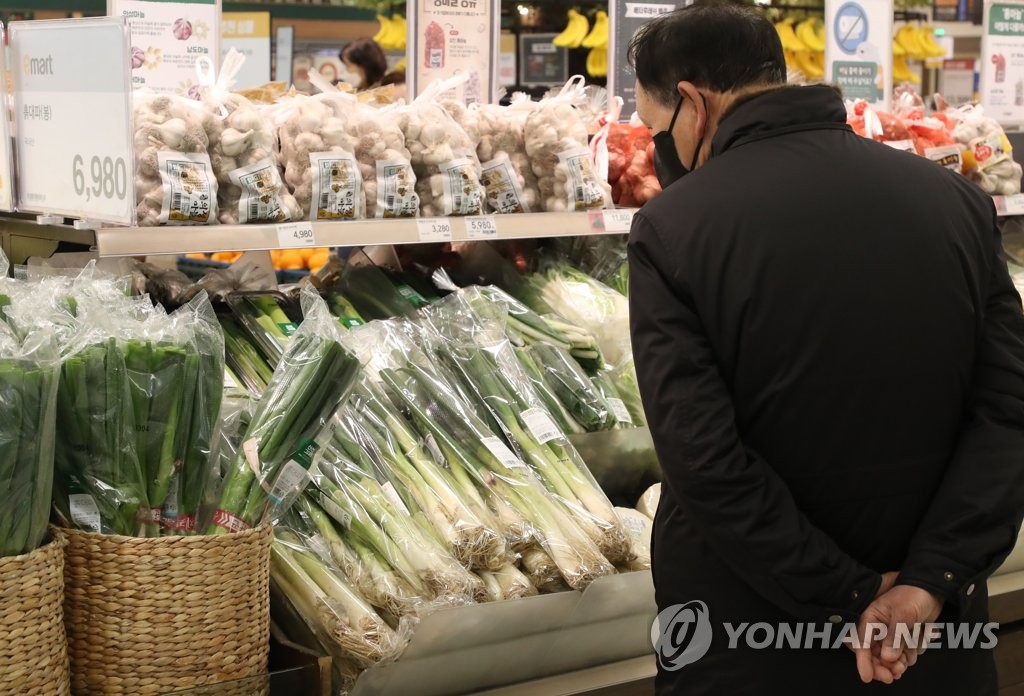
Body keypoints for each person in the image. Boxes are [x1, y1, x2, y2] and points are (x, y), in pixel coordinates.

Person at [626, 2, 1024, 695]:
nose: (661, 146)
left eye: (657, 128)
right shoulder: (955, 200)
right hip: (933, 643)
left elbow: (704, 459)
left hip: (751, 639)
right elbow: (1008, 412)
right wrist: (930, 582)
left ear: (693, 102)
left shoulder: (675, 227)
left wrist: (853, 592)